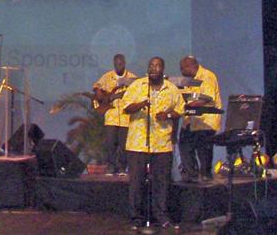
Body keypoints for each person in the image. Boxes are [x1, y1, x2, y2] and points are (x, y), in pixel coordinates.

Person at [123, 57, 184, 230]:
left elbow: (180, 109)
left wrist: (169, 115)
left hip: (162, 143)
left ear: (163, 69)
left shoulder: (171, 89)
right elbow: (126, 107)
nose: (153, 68)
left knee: (162, 182)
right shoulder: (137, 86)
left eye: (157, 66)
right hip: (137, 143)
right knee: (136, 183)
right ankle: (136, 218)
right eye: (151, 65)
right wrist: (141, 104)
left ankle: (162, 216)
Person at [178, 56, 221, 182]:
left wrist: (188, 105)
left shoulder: (207, 76)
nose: (181, 71)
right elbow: (185, 98)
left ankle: (206, 177)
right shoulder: (188, 81)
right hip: (191, 121)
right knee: (184, 147)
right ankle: (192, 176)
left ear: (192, 66)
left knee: (204, 152)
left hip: (205, 122)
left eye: (183, 68)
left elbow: (206, 98)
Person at [92, 54, 138, 175]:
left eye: (121, 63)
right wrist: (101, 94)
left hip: (125, 116)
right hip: (111, 116)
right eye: (116, 64)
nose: (119, 65)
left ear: (124, 63)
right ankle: (111, 167)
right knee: (110, 144)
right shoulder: (107, 77)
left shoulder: (132, 78)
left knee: (124, 145)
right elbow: (96, 88)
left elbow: (139, 92)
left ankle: (122, 167)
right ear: (114, 64)